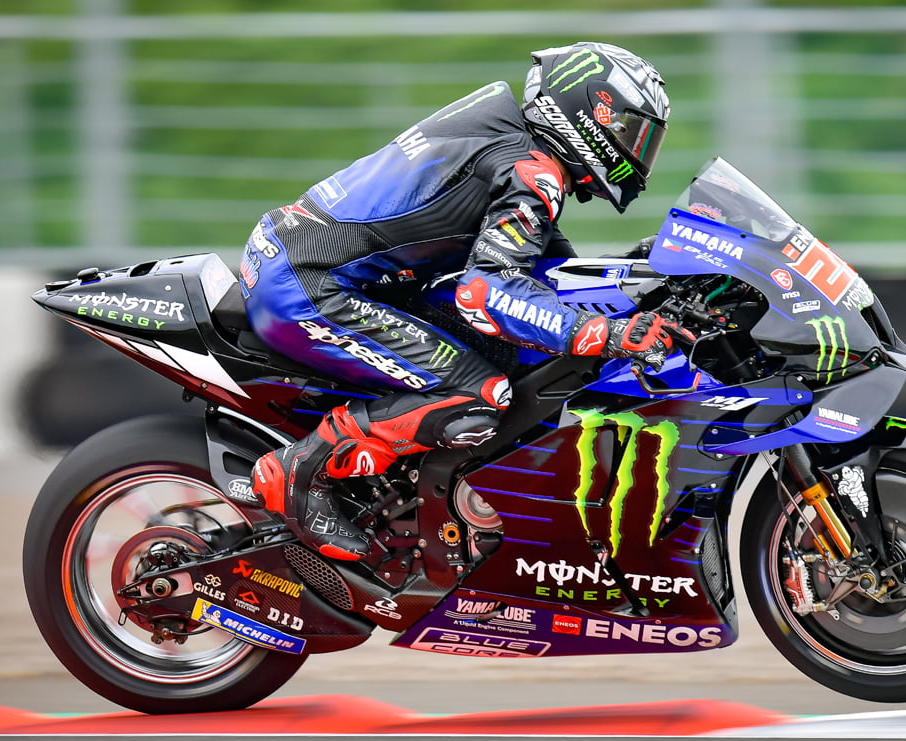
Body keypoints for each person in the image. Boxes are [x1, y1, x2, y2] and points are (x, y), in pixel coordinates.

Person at [240, 41, 690, 562]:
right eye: (632, 132)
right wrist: (604, 334)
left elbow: (548, 274)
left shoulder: (514, 141)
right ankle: (301, 470)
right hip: (308, 284)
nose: (637, 150)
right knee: (479, 395)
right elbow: (486, 293)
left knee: (521, 354)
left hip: (311, 264)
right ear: (591, 113)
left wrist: (640, 275)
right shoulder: (530, 169)